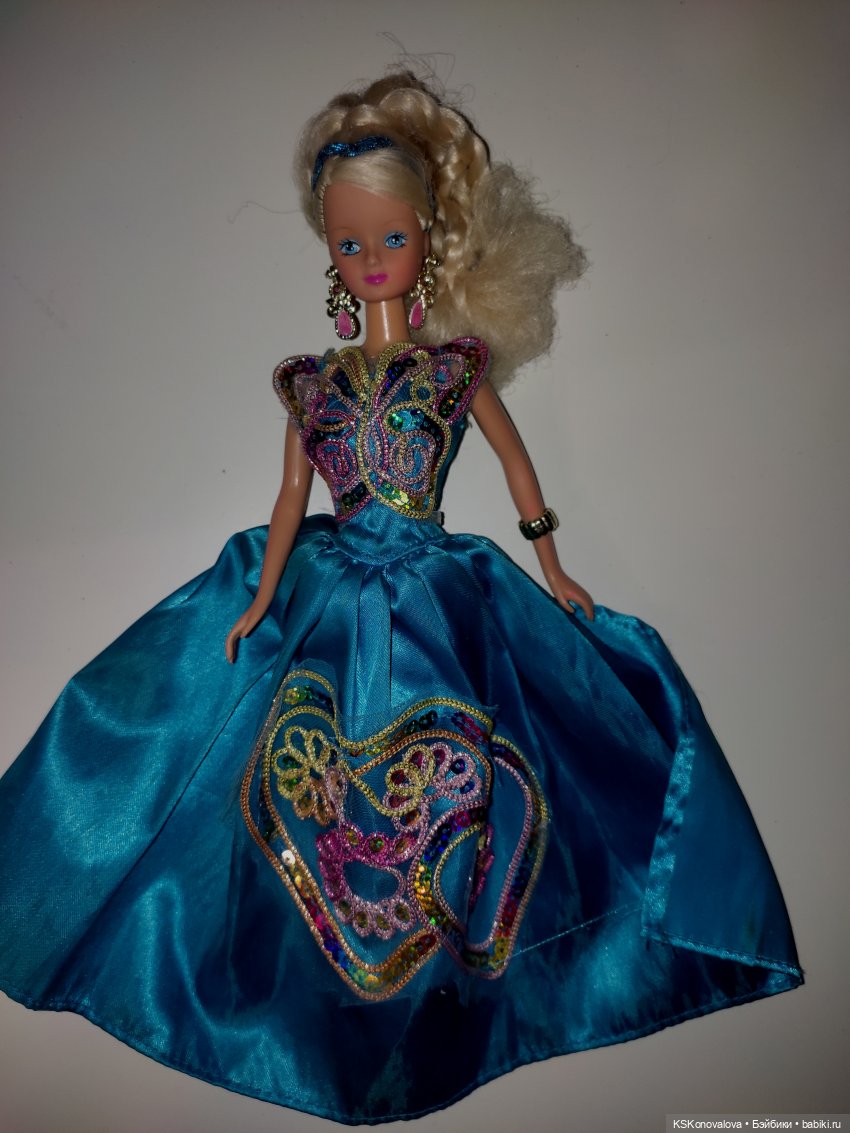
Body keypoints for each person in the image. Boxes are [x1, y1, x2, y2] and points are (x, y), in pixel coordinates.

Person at [0, 72, 801, 1125]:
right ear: (329, 256)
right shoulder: (308, 384)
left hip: (436, 586)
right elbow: (290, 499)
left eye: (389, 236)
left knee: (508, 763)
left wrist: (551, 565)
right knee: (259, 773)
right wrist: (258, 599)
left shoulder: (455, 369)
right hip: (329, 590)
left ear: (425, 239)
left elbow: (516, 468)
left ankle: (475, 983)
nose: (371, 257)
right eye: (349, 242)